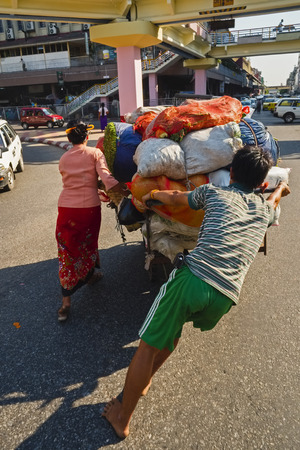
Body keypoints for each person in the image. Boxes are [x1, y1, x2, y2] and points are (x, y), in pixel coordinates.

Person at [102, 145, 290, 438]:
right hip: (226, 297)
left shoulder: (215, 193)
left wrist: (151, 196)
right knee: (173, 331)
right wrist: (279, 191)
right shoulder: (266, 209)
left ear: (230, 173)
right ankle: (146, 379)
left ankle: (122, 417)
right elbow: (275, 202)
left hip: (193, 280)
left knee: (148, 344)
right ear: (262, 184)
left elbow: (177, 198)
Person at [56, 120, 128, 321]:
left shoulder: (63, 158)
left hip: (66, 209)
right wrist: (125, 191)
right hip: (88, 209)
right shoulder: (95, 154)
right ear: (86, 137)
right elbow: (107, 179)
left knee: (67, 250)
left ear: (69, 139)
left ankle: (65, 303)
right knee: (87, 245)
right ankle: (89, 276)